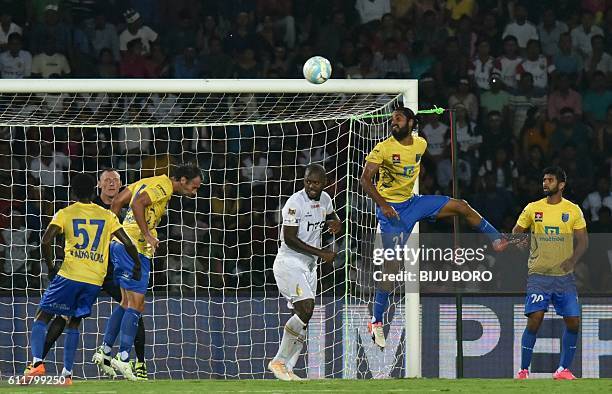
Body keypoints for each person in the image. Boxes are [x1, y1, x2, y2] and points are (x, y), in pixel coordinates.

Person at [360, 107, 509, 349]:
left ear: (411, 122)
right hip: (393, 214)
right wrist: (384, 205)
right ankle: (376, 321)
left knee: (461, 206)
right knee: (392, 267)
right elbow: (364, 180)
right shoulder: (383, 148)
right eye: (392, 120)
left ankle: (496, 238)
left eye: (398, 119)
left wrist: (437, 115)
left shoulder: (420, 144)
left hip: (414, 203)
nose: (393, 123)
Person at [27, 168, 151, 380]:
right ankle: (67, 372)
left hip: (82, 273)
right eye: (107, 180)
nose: (112, 183)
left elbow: (46, 240)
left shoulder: (67, 212)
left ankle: (37, 362)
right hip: (95, 276)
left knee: (47, 315)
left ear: (73, 193)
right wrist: (138, 265)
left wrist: (51, 266)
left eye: (116, 180)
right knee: (73, 319)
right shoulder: (107, 214)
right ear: (97, 187)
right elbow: (128, 243)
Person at [93, 163, 202, 380]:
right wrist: (148, 235)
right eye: (195, 187)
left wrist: (114, 234)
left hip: (123, 244)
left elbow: (117, 201)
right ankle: (123, 358)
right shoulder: (163, 186)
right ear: (182, 181)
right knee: (136, 304)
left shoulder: (149, 181)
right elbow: (136, 203)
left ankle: (105, 352)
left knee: (126, 303)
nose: (194, 191)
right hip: (135, 246)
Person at [513, 166, 588, 380]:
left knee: (573, 322)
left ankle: (563, 369)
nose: (545, 183)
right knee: (535, 319)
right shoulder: (532, 208)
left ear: (561, 185)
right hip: (539, 275)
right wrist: (519, 240)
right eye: (544, 179)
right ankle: (523, 370)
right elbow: (517, 231)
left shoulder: (573, 210)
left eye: (550, 180)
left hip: (565, 278)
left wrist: (572, 260)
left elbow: (583, 241)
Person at [268, 164, 341, 381]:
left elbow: (331, 215)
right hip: (289, 262)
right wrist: (321, 252)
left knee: (303, 316)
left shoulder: (326, 199)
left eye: (315, 183)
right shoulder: (294, 203)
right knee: (306, 307)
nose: (310, 186)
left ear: (324, 183)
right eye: (308, 181)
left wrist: (336, 222)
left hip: (310, 267)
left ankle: (288, 368)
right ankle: (279, 361)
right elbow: (289, 238)